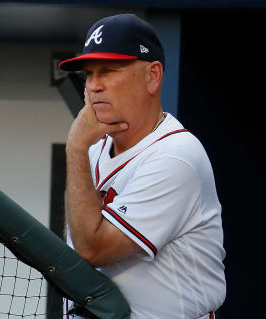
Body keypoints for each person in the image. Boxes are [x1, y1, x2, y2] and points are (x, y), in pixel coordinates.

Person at [59, 14, 226, 319]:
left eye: (108, 71)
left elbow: (93, 250)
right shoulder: (93, 150)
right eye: (89, 74)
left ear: (153, 76)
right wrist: (81, 150)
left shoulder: (176, 155)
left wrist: (74, 147)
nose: (94, 86)